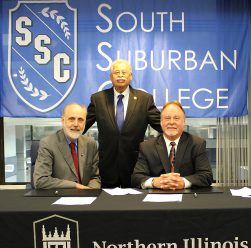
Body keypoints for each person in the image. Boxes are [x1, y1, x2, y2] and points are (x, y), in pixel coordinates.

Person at [84, 59, 162, 188]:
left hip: (136, 166)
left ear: (130, 76)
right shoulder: (98, 99)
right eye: (116, 72)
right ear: (111, 77)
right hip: (107, 166)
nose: (120, 75)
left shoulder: (144, 99)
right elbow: (82, 125)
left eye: (124, 72)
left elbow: (161, 125)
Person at [131, 101, 213, 190]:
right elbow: (136, 178)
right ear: (161, 122)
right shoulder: (147, 147)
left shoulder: (197, 144)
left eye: (176, 118)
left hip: (188, 199)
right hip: (157, 199)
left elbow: (206, 176)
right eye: (167, 118)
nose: (171, 122)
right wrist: (154, 182)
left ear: (183, 122)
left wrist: (184, 182)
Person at [33, 103, 101, 189]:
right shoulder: (48, 143)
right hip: (58, 197)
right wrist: (76, 186)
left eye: (80, 120)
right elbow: (40, 180)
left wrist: (90, 192)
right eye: (71, 119)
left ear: (85, 123)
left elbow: (95, 177)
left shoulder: (91, 144)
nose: (76, 124)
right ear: (63, 121)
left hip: (87, 198)